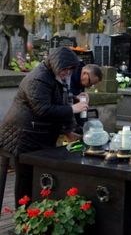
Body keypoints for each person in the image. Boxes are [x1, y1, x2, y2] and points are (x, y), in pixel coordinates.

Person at [0, 47, 89, 202]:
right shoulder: (38, 78)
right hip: (22, 134)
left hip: (39, 134)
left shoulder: (57, 76)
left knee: (39, 177)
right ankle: (24, 213)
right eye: (65, 69)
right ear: (57, 64)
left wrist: (68, 130)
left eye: (71, 70)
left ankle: (35, 210)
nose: (68, 73)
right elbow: (42, 109)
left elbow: (62, 101)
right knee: (26, 178)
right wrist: (73, 109)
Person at [70, 62, 103, 129]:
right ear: (85, 73)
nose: (89, 87)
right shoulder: (69, 75)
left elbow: (81, 109)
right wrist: (75, 97)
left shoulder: (81, 80)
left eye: (92, 85)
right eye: (90, 83)